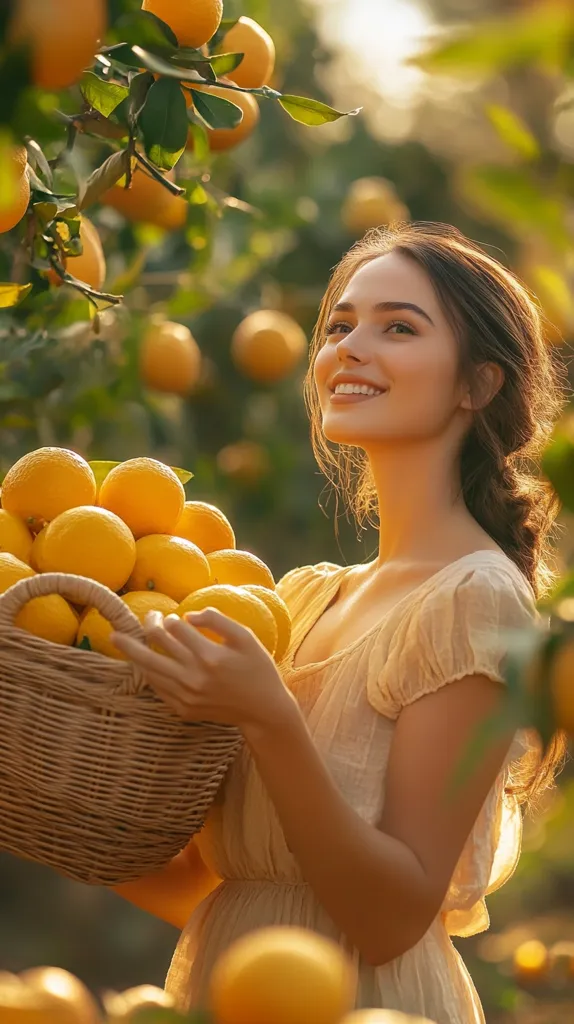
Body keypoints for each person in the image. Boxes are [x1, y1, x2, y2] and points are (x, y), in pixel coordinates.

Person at [110, 222, 567, 1023]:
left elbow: (390, 919)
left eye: (398, 327)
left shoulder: (476, 601)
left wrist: (268, 715)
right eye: (339, 325)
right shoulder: (300, 599)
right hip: (246, 991)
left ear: (478, 385)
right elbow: (219, 892)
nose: (349, 348)